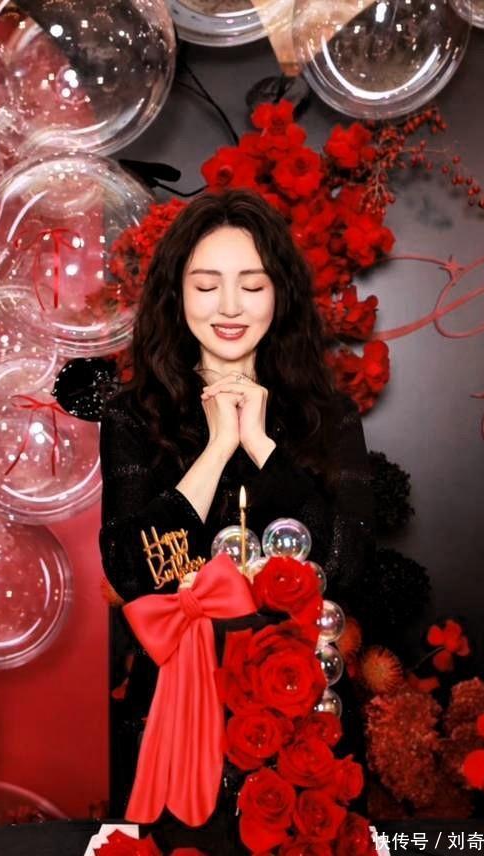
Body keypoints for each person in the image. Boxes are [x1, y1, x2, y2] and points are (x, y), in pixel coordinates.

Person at [96, 188, 376, 852]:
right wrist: (218, 447)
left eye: (251, 285)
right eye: (206, 285)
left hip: (298, 711)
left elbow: (347, 564)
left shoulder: (328, 416)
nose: (228, 306)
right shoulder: (133, 417)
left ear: (279, 295)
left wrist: (262, 446)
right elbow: (132, 570)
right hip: (170, 711)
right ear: (176, 295)